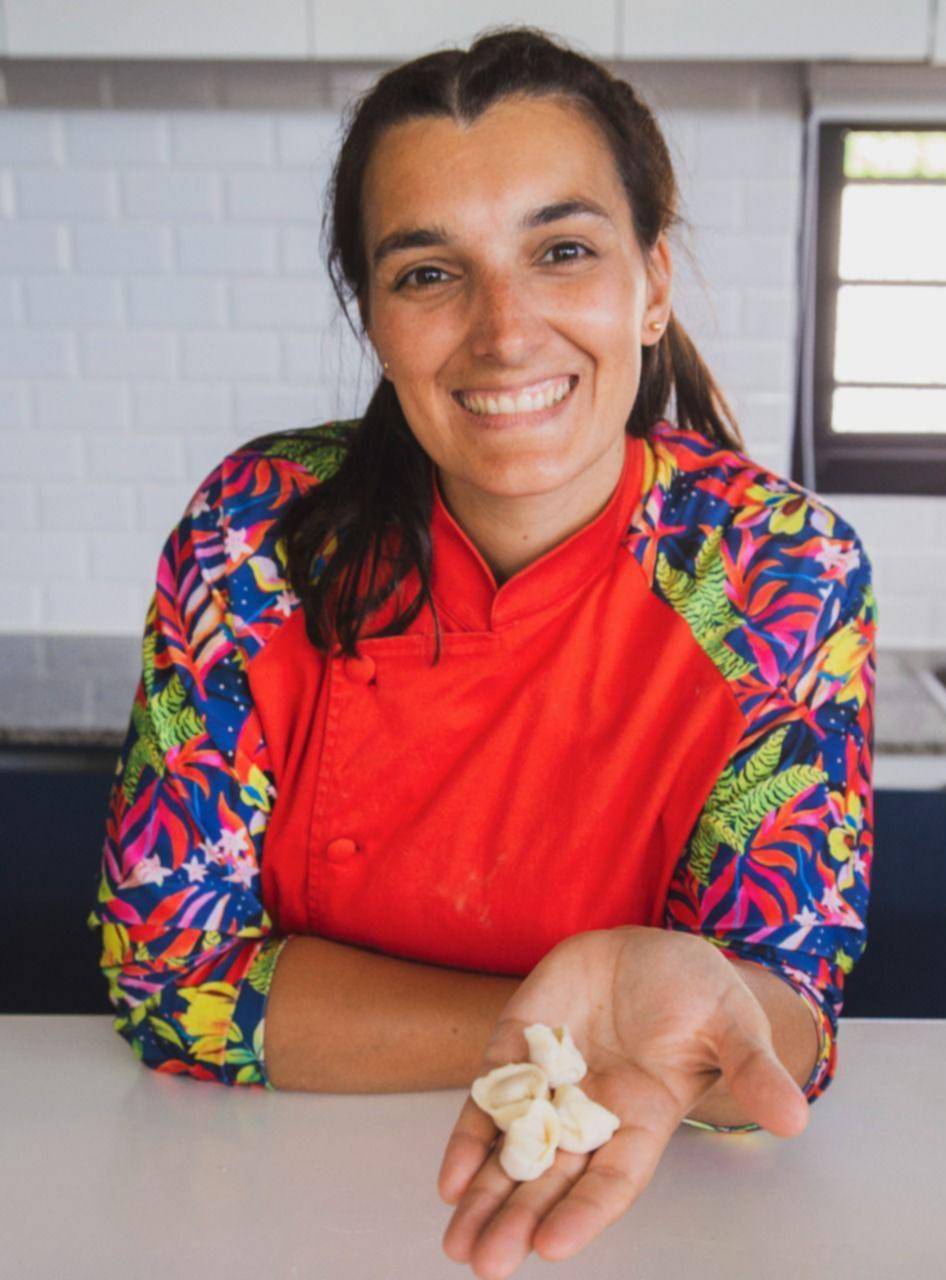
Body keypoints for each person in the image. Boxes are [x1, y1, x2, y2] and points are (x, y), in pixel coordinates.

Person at [87, 24, 877, 1278]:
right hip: (257, 1203)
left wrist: (683, 1023)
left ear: (651, 284)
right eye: (427, 273)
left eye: (563, 251)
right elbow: (169, 976)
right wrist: (554, 1037)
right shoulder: (257, 538)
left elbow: (776, 1022)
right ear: (373, 318)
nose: (505, 331)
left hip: (630, 1210)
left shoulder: (777, 572)